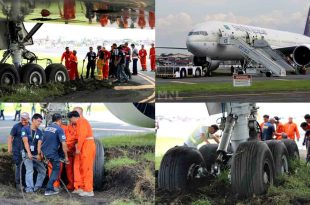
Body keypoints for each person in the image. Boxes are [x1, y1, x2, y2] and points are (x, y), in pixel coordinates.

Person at [68, 107, 96, 197]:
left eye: (71, 119)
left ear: (73, 117)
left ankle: (89, 190)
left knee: (87, 169)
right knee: (83, 168)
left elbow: (81, 136)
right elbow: (75, 137)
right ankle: (84, 188)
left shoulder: (82, 122)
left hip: (87, 146)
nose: (71, 121)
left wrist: (78, 149)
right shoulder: (80, 123)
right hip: (85, 146)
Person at [42, 113, 69, 196]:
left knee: (52, 169)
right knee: (56, 170)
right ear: (59, 120)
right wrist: (66, 157)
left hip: (45, 152)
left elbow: (43, 141)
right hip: (53, 153)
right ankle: (49, 189)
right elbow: (63, 144)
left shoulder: (47, 128)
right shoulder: (59, 129)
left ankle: (49, 187)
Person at [21, 113, 46, 193]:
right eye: (38, 121)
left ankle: (37, 187)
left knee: (43, 170)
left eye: (41, 122)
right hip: (26, 152)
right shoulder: (25, 129)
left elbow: (39, 144)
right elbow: (25, 142)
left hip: (35, 154)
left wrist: (39, 155)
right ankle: (29, 188)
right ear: (33, 120)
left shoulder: (39, 132)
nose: (39, 123)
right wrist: (29, 153)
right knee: (30, 170)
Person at [8, 112, 30, 189]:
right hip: (17, 150)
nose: (23, 120)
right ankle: (18, 183)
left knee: (27, 167)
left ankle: (26, 183)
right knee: (18, 166)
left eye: (25, 119)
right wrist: (9, 148)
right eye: (22, 118)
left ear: (28, 119)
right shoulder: (16, 126)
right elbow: (10, 137)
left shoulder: (30, 126)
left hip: (27, 151)